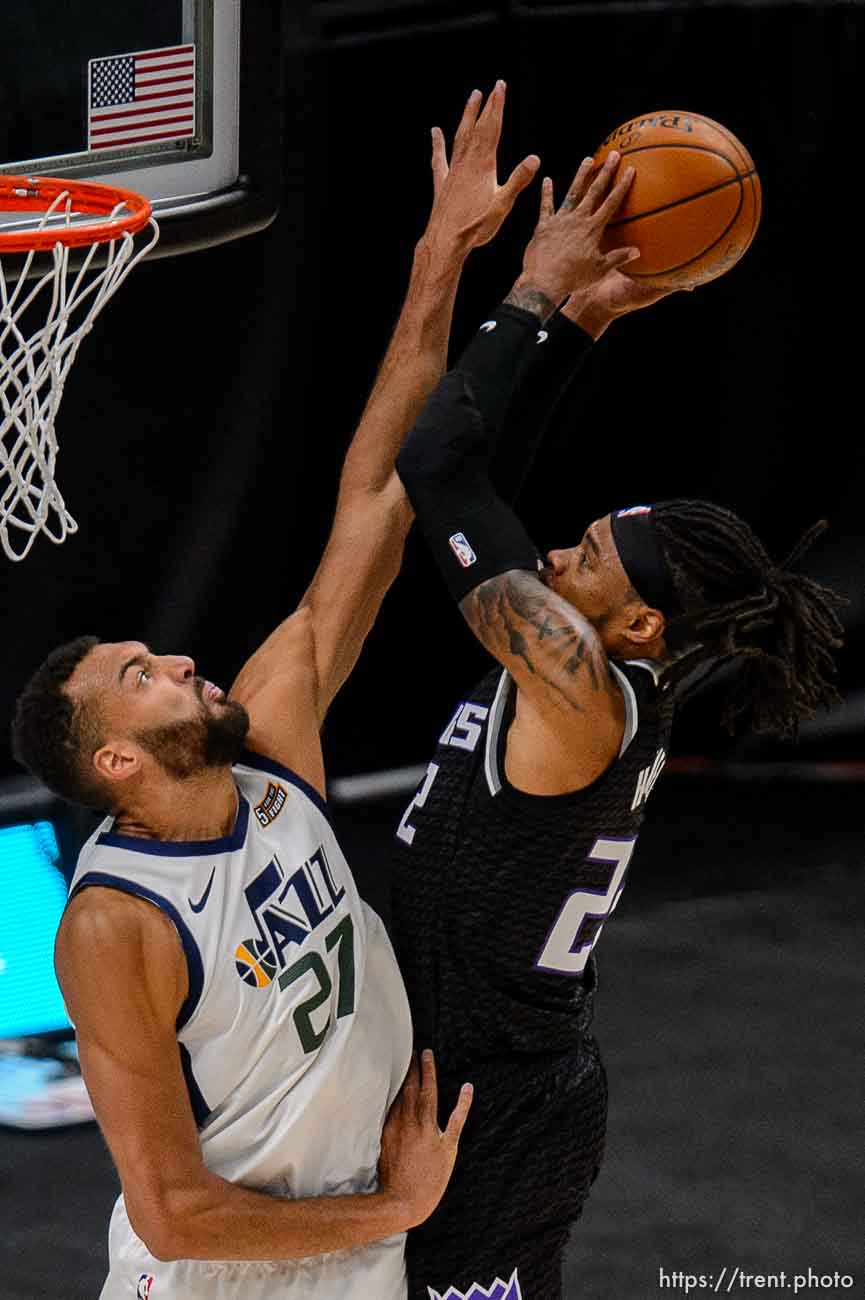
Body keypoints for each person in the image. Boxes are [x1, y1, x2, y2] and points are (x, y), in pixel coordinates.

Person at [9, 85, 546, 1300]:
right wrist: (391, 1206)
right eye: (142, 679)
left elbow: (374, 502)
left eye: (161, 654)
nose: (184, 664)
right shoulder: (115, 924)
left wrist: (442, 261)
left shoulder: (271, 749)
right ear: (116, 764)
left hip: (354, 1252)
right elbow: (175, 1212)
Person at [391, 161, 847, 1300]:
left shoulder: (575, 685)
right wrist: (582, 321)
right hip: (485, 1081)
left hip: (494, 1112)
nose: (552, 555)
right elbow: (475, 476)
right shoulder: (598, 671)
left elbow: (438, 466)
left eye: (584, 558)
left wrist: (536, 289)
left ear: (638, 616)